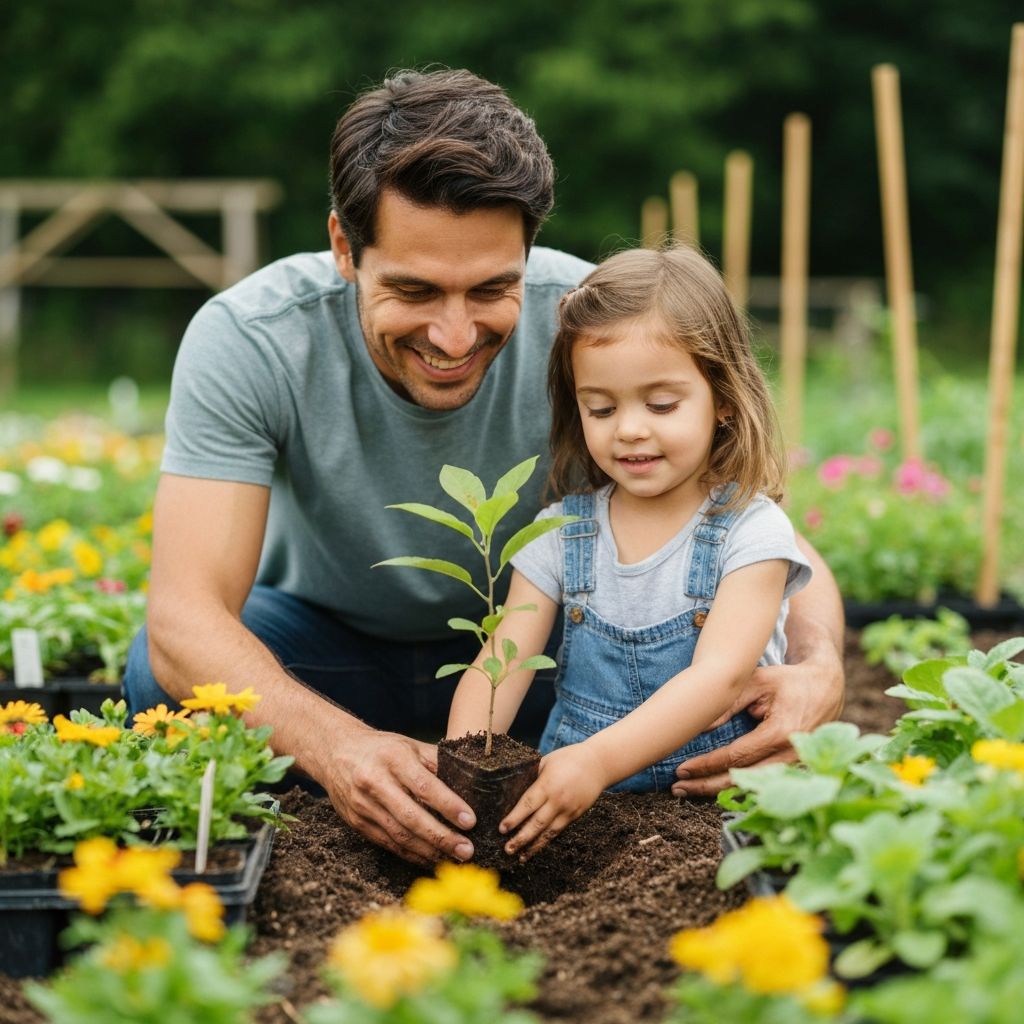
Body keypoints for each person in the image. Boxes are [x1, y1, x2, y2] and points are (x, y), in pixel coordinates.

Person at [123, 68, 845, 867]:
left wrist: (819, 668)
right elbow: (185, 617)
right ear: (343, 247)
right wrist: (338, 749)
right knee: (161, 681)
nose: (457, 336)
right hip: (330, 653)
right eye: (416, 290)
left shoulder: (596, 328)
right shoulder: (254, 338)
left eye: (494, 288)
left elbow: (764, 539)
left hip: (547, 660)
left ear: (529, 252)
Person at [446, 245, 813, 859]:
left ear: (722, 398)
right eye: (602, 407)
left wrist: (594, 761)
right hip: (577, 809)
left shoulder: (753, 534)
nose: (630, 428)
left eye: (662, 404)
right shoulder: (561, 532)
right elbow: (499, 663)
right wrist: (462, 773)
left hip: (713, 806)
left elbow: (720, 681)